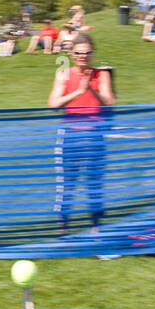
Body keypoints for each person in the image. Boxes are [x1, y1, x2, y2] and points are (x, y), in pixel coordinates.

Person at [49, 40, 114, 237]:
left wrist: (91, 89)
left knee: (94, 184)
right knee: (67, 185)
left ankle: (96, 228)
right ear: (71, 54)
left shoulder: (102, 75)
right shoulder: (64, 75)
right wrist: (78, 91)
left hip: (94, 135)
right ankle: (64, 231)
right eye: (78, 52)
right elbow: (53, 103)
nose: (82, 56)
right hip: (71, 136)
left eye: (87, 52)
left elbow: (110, 103)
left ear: (92, 54)